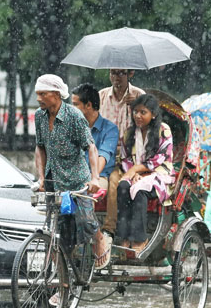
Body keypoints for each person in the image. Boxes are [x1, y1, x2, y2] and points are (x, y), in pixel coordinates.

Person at [34, 74, 109, 270]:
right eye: (37, 94)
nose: (39, 98)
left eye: (43, 94)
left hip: (77, 179)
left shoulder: (74, 116)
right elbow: (40, 147)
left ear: (57, 94)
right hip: (54, 179)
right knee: (59, 230)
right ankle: (63, 280)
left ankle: (99, 238)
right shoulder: (39, 116)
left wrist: (95, 178)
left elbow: (90, 147)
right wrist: (41, 177)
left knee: (85, 221)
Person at [116, 93, 174, 255]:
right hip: (135, 173)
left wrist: (136, 170)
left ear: (153, 114)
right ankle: (123, 236)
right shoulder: (129, 133)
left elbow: (160, 158)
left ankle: (140, 238)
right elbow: (125, 158)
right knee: (122, 187)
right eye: (135, 112)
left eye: (143, 112)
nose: (138, 116)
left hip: (159, 174)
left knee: (140, 191)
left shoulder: (164, 130)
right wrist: (132, 172)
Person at [99, 69, 144, 237]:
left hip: (130, 157)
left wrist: (137, 106)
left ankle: (109, 229)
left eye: (121, 74)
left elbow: (149, 127)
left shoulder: (139, 95)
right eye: (113, 73)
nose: (116, 78)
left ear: (130, 74)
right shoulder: (101, 96)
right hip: (105, 155)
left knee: (114, 183)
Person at [70, 83, 119, 194]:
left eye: (75, 105)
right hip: (74, 176)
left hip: (99, 176)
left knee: (88, 190)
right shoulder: (72, 126)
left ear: (89, 105)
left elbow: (103, 156)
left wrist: (93, 178)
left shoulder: (110, 129)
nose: (71, 109)